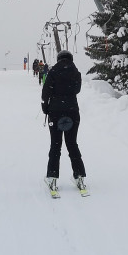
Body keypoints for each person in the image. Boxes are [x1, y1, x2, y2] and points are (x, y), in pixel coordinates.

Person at [41, 50, 87, 195]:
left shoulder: (53, 71)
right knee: (72, 143)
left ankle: (52, 178)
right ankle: (79, 176)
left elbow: (45, 92)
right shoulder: (76, 72)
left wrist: (46, 108)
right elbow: (77, 90)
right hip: (73, 112)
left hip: (55, 112)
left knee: (56, 144)